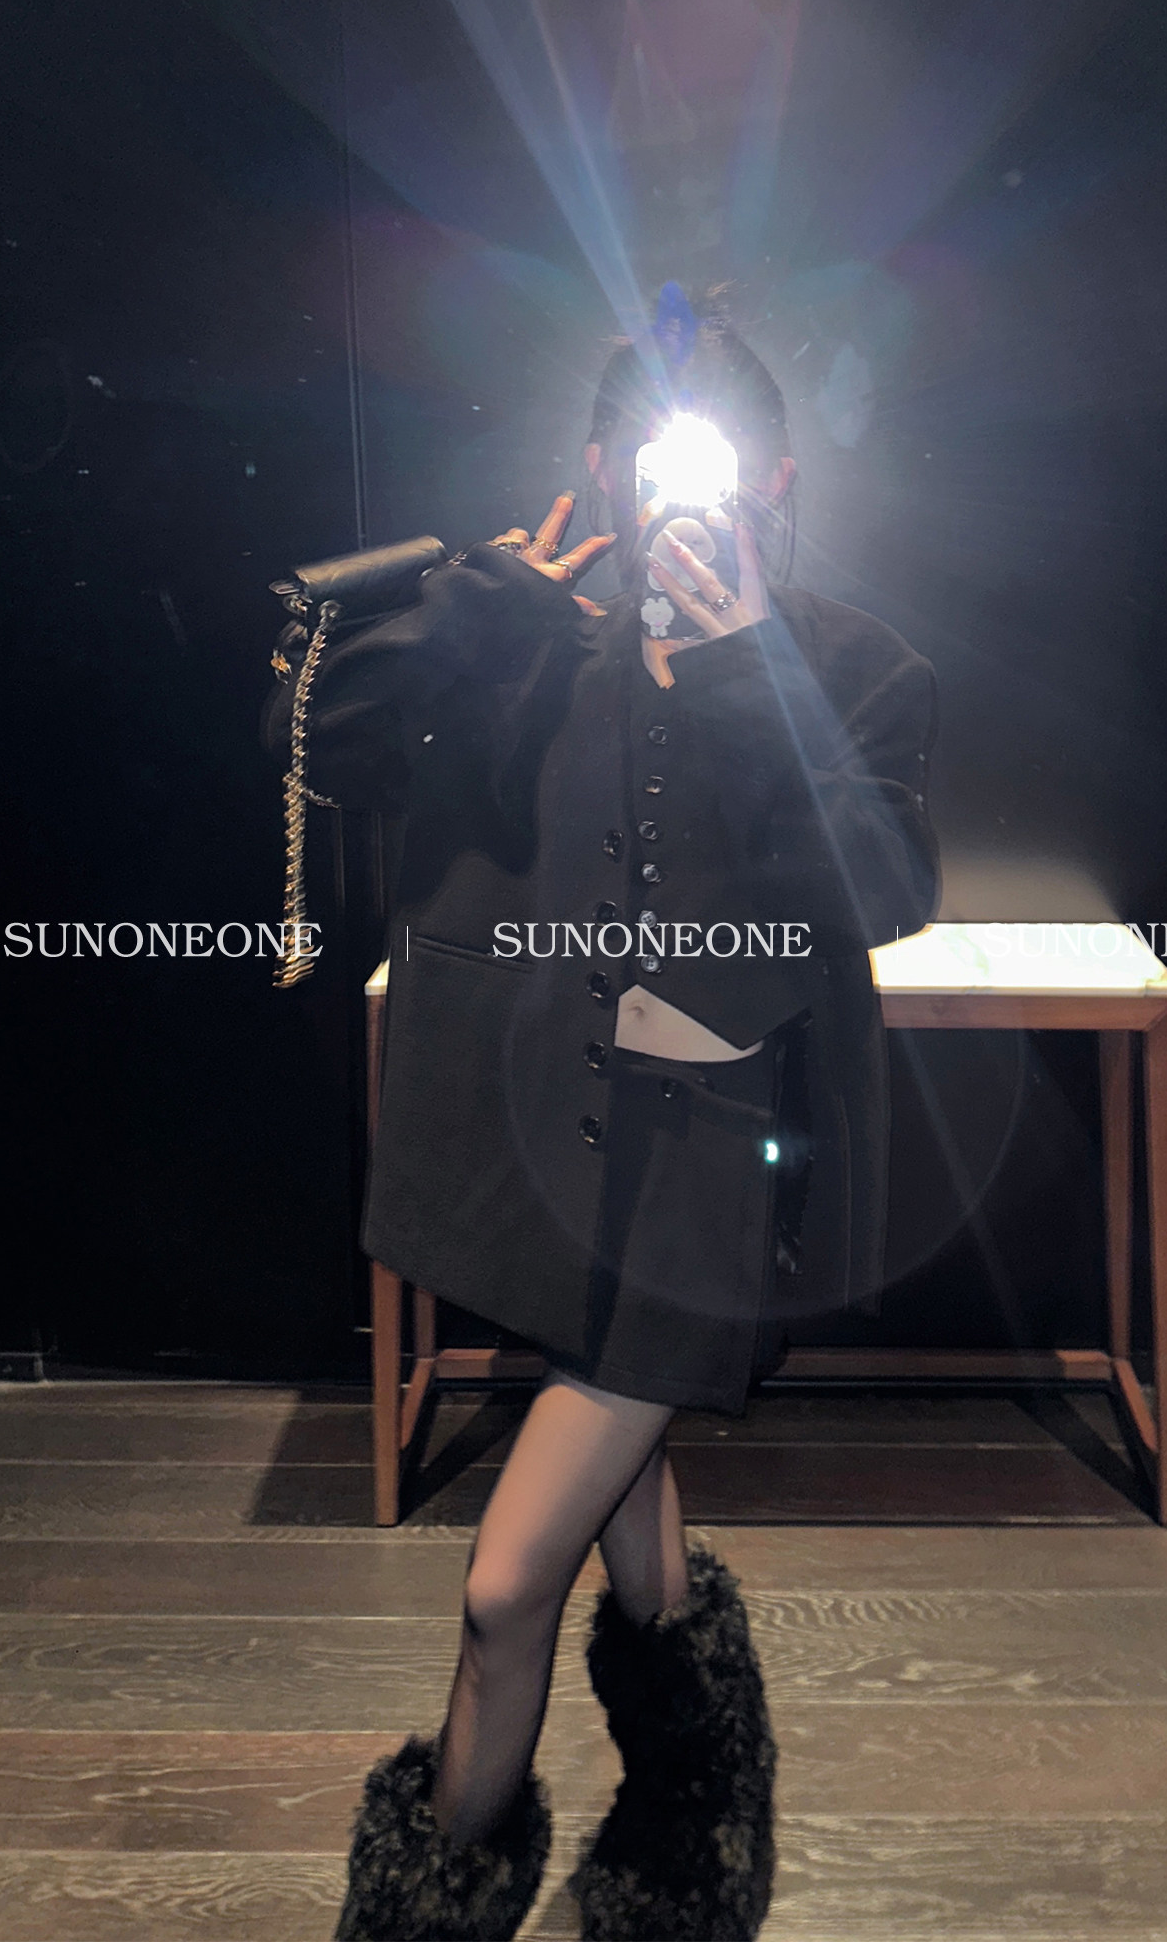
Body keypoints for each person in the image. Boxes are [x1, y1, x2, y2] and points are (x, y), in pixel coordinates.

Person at [267, 289, 940, 1942]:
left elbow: (880, 888)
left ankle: (427, 1903)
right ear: (596, 464)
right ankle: (697, 1806)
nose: (681, 490)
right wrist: (481, 610)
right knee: (633, 1532)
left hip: (714, 1192)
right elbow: (320, 750)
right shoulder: (528, 646)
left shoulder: (852, 667)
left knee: (504, 1590)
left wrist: (749, 670)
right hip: (551, 1173)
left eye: (720, 459)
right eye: (646, 453)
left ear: (775, 479)